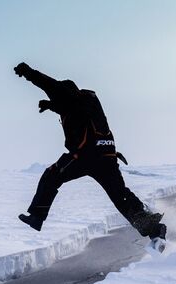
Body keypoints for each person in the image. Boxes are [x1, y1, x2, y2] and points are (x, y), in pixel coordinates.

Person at [14, 62, 166, 240]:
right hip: (107, 155)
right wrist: (51, 106)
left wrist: (28, 72)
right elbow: (71, 108)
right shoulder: (88, 102)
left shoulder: (67, 94)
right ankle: (153, 229)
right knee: (120, 195)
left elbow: (48, 84)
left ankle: (36, 217)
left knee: (51, 175)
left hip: (85, 156)